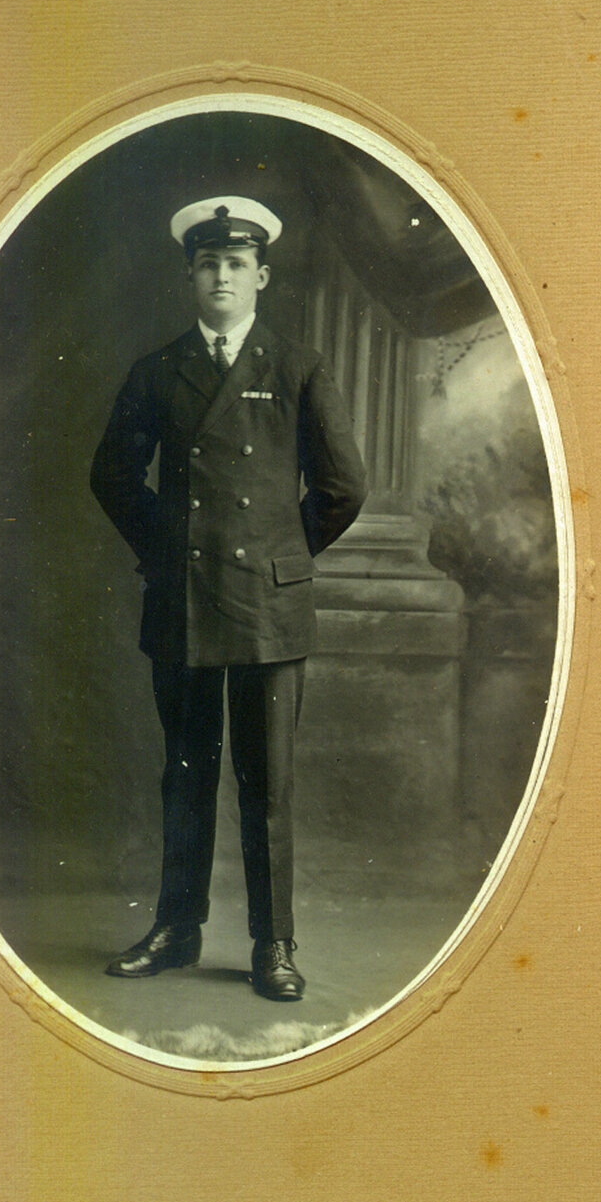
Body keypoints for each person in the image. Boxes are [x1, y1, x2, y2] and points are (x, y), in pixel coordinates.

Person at [90, 195, 366, 1000]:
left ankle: (273, 944)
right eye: (208, 263)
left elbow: (345, 487)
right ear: (190, 276)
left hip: (268, 610)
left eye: (236, 263)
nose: (221, 275)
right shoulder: (156, 369)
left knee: (267, 783)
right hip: (183, 600)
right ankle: (176, 929)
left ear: (261, 277)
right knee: (184, 775)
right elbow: (110, 475)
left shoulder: (299, 367)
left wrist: (283, 557)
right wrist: (169, 548)